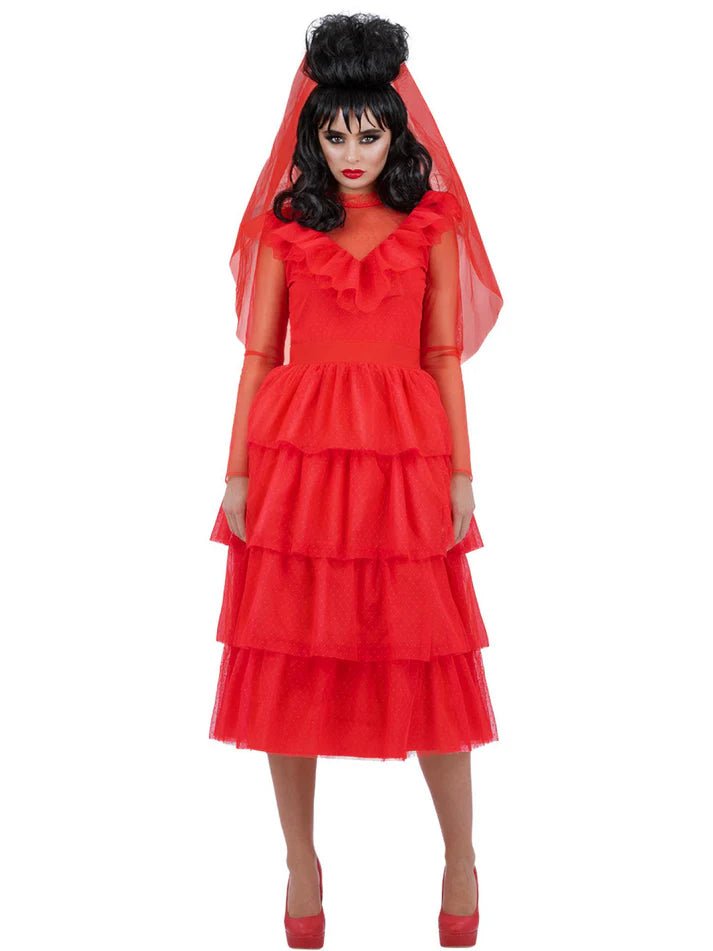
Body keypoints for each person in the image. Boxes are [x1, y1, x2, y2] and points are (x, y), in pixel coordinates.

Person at [207, 13, 503, 948]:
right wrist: (236, 472)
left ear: (395, 131)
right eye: (334, 134)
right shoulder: (287, 227)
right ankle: (301, 860)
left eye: (368, 134)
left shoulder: (430, 226)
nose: (350, 151)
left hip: (404, 460)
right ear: (312, 133)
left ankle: (459, 856)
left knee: (429, 659)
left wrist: (461, 472)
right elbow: (259, 357)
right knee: (286, 659)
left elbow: (442, 355)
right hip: (296, 460)